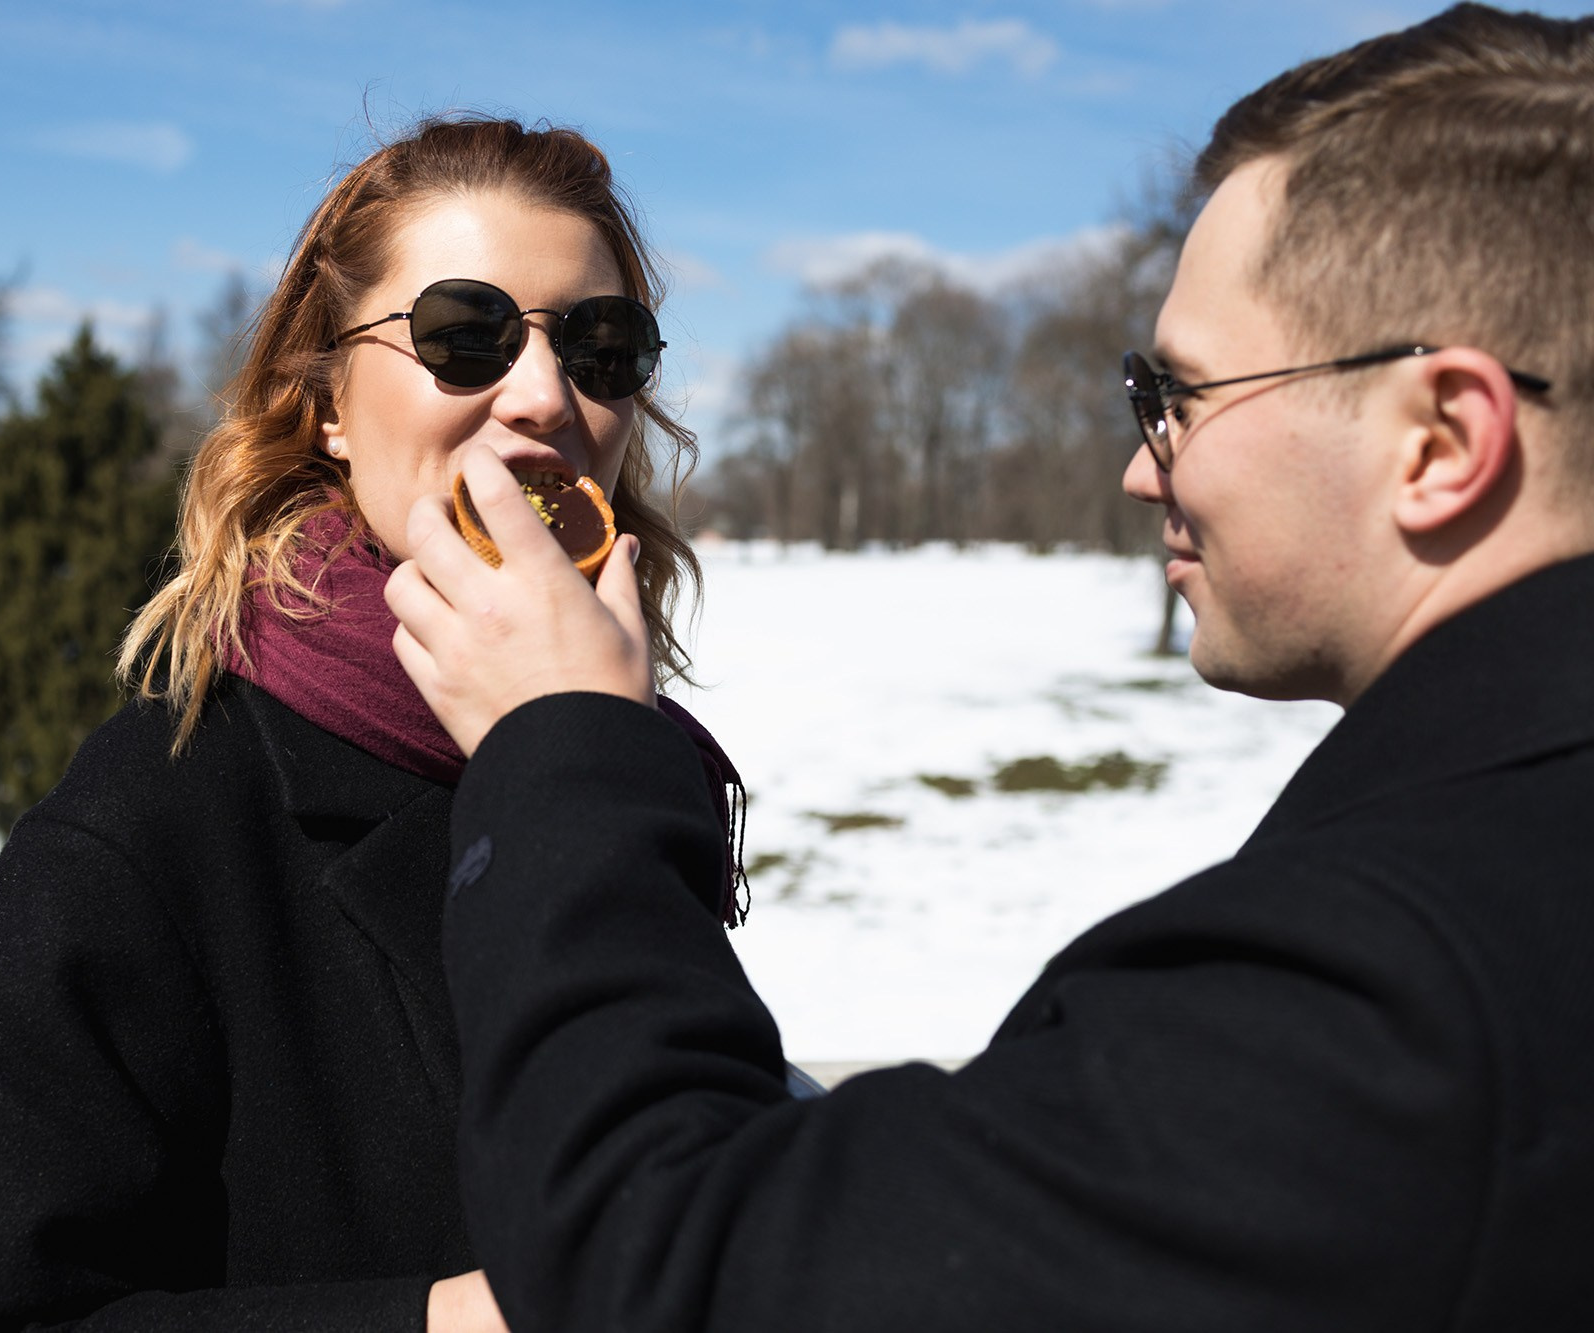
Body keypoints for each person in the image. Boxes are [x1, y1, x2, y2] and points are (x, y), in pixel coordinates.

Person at [383, 6, 1594, 1329]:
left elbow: (672, 1268)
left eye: (1176, 395)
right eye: (462, 335)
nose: (1143, 466)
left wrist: (562, 741)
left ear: (1439, 441)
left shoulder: (1388, 1006)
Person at [0, 116, 743, 1333]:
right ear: (326, 399)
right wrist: (441, 1324)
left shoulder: (639, 768)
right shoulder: (157, 812)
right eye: (465, 336)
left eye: (598, 346)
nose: (543, 396)